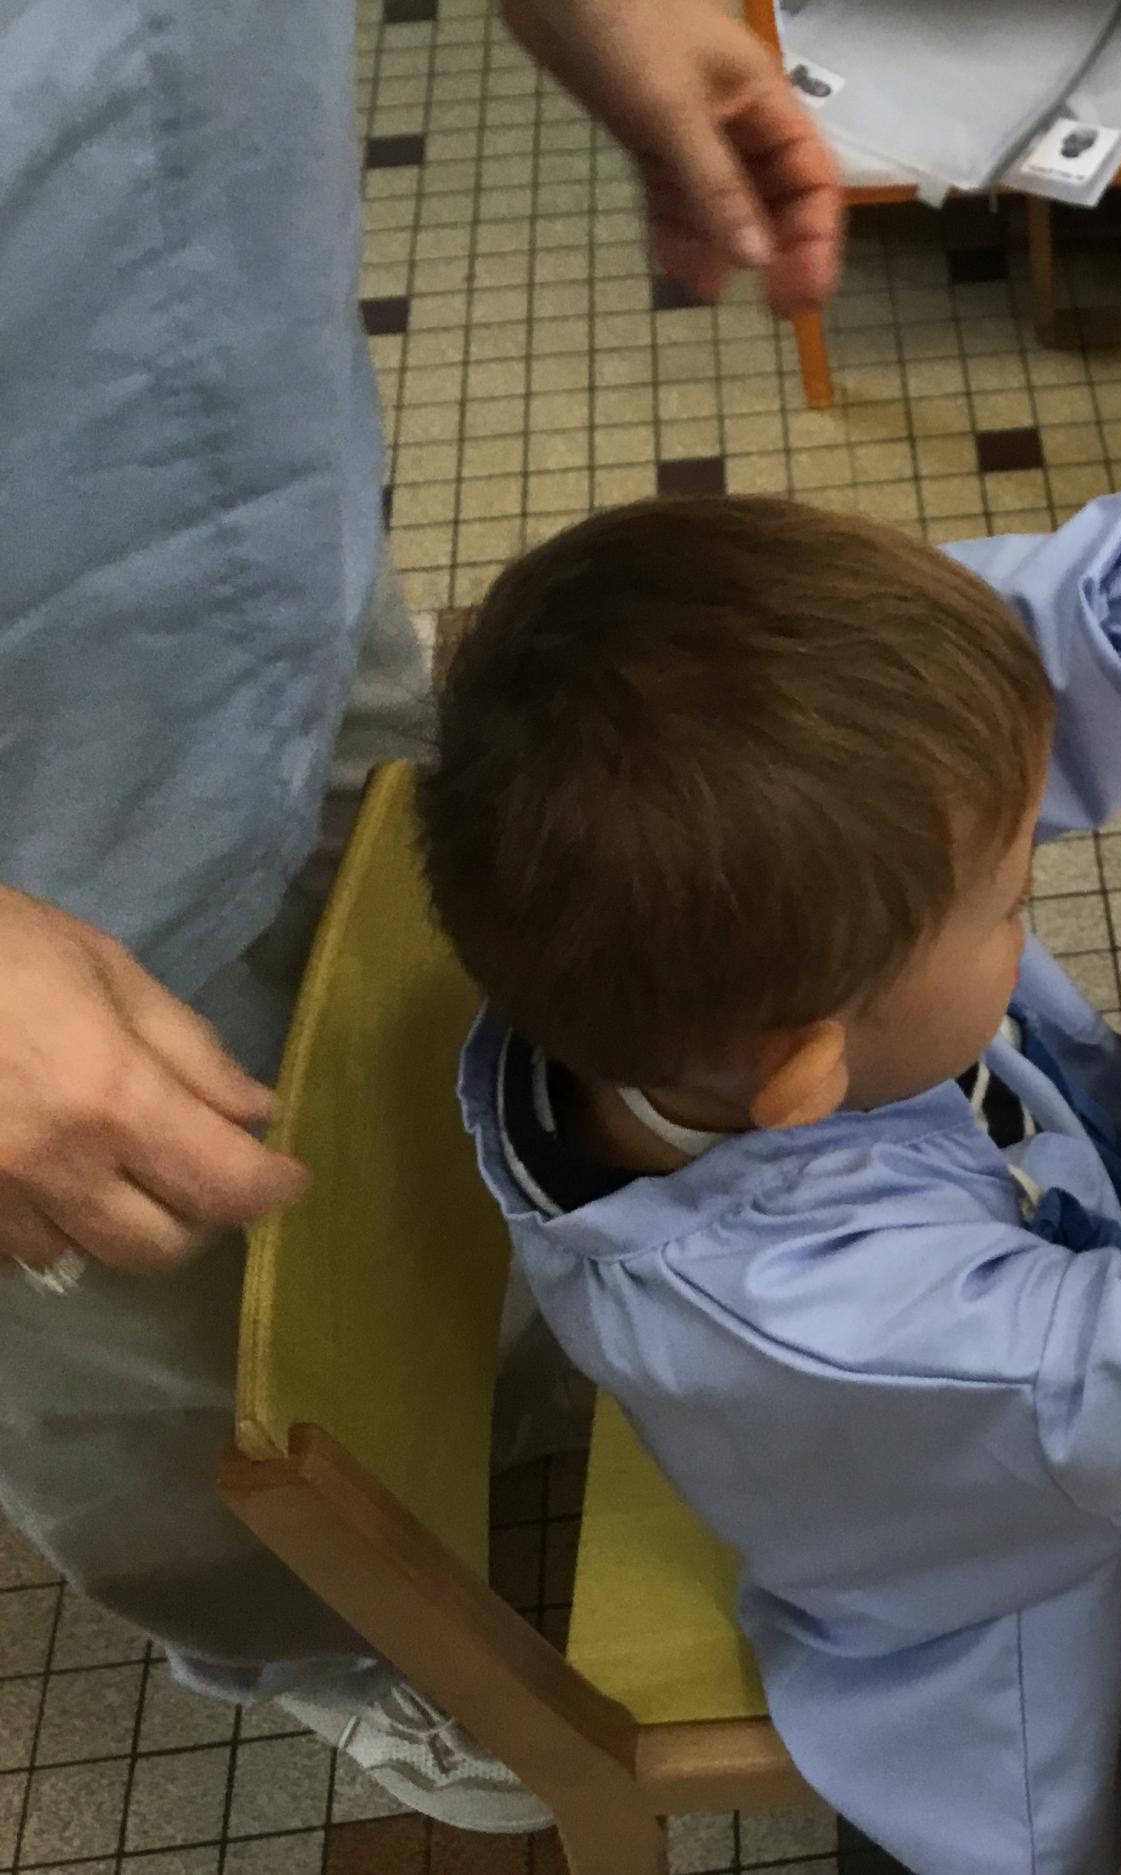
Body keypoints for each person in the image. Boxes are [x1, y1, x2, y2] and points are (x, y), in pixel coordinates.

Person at [415, 486, 1121, 1873]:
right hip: (994, 1627)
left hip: (1000, 1355)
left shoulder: (687, 967)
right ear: (803, 1072)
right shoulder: (840, 1324)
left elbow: (895, 721)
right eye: (1011, 899)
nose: (1029, 892)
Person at [0, 0, 839, 1829]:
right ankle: (313, 1634)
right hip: (30, 828)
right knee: (159, 1348)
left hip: (231, 514)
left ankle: (500, 1359)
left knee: (402, 984)